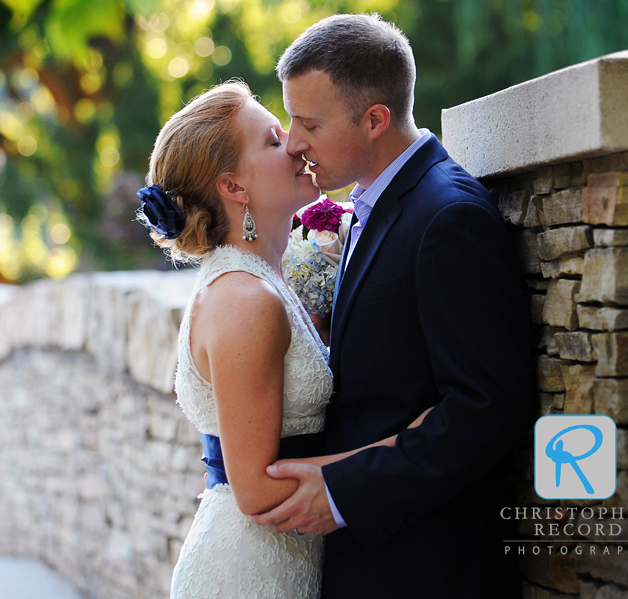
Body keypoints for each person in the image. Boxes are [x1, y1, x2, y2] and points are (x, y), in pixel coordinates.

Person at [251, 14, 538, 598]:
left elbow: (487, 408)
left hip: (429, 567)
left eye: (308, 123)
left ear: (375, 119)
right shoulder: (370, 203)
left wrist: (343, 491)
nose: (294, 141)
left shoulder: (448, 216)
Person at [138, 81, 429, 598]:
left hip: (291, 553)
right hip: (250, 569)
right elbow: (254, 489)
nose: (295, 144)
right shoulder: (245, 299)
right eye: (274, 141)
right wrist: (406, 444)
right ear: (234, 188)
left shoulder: (265, 280)